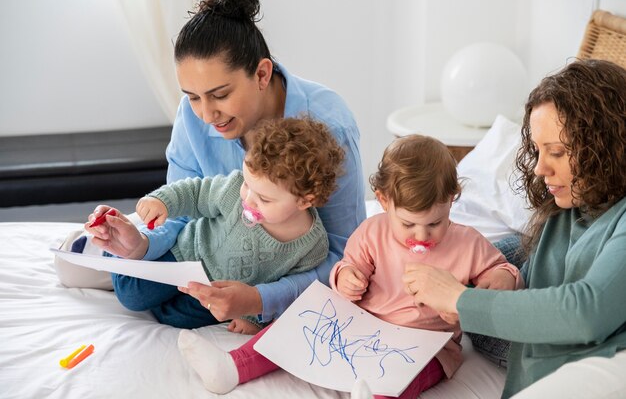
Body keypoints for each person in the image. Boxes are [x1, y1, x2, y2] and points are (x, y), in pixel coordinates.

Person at [56, 0, 366, 327]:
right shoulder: (192, 115)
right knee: (134, 290)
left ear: (262, 74)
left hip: (269, 269)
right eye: (192, 96)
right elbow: (182, 212)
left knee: (184, 312)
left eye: (220, 94)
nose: (205, 114)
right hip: (205, 243)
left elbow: (343, 256)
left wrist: (260, 300)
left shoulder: (330, 128)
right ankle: (112, 256)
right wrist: (142, 244)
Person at [175, 134, 523, 397]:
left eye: (435, 223)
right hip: (361, 326)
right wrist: (348, 279)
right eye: (408, 224)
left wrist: (501, 280)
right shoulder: (373, 231)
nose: (422, 235)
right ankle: (233, 366)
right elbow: (345, 267)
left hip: (426, 344)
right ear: (384, 202)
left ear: (451, 201)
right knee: (298, 321)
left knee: (406, 377)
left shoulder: (467, 242)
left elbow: (502, 269)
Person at [402, 59, 626, 398]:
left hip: (574, 355)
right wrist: (501, 272)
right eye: (537, 150)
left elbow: (585, 310)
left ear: (606, 147)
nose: (539, 168)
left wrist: (460, 299)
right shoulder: (572, 207)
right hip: (526, 329)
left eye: (557, 152)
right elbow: (526, 259)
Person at [102, 117, 343, 332]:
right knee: (132, 295)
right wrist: (163, 201)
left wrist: (254, 319)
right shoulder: (233, 191)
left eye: (264, 199)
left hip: (217, 290)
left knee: (176, 320)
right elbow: (196, 193)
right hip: (185, 254)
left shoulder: (312, 246)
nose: (248, 199)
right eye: (248, 185)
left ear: (305, 200)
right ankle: (113, 244)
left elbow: (281, 289)